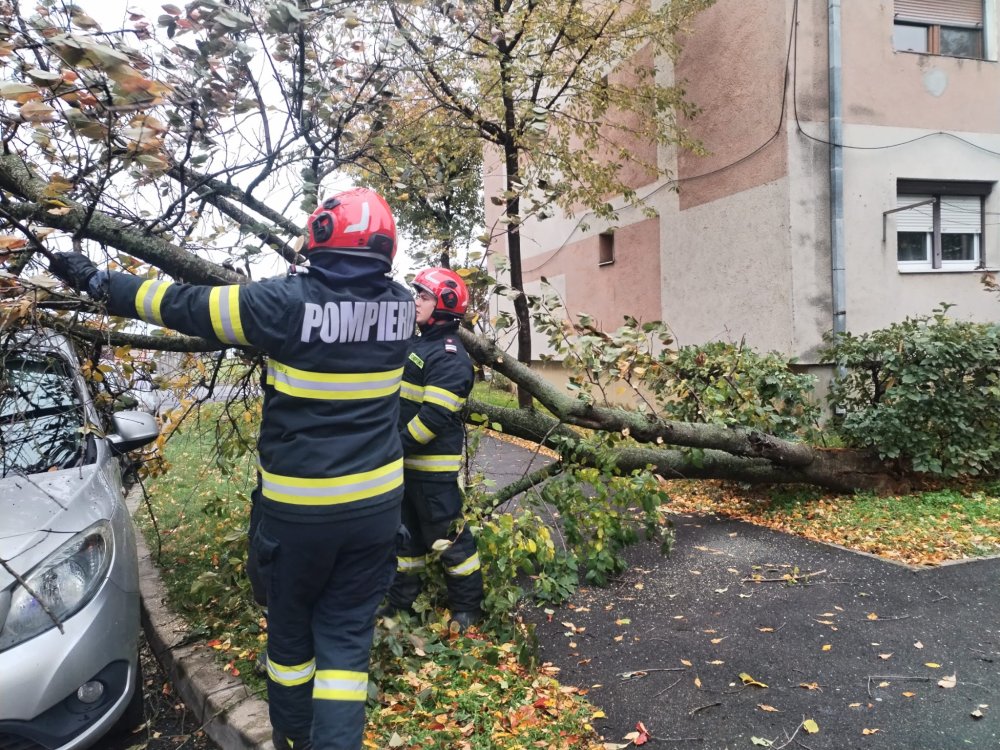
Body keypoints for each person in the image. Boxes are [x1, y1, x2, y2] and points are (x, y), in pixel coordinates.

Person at [49, 188, 415, 750]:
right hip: (376, 510)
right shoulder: (403, 307)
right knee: (346, 643)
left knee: (292, 639)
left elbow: (182, 304)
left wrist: (100, 282)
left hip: (301, 515)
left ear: (320, 236)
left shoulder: (283, 305)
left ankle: (293, 738)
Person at [380, 267, 484, 630]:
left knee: (450, 540)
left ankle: (468, 609)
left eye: (423, 296)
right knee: (405, 539)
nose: (415, 301)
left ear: (445, 304)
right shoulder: (419, 344)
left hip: (431, 471)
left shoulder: (449, 355)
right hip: (406, 465)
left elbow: (434, 416)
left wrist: (394, 445)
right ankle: (402, 604)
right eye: (416, 294)